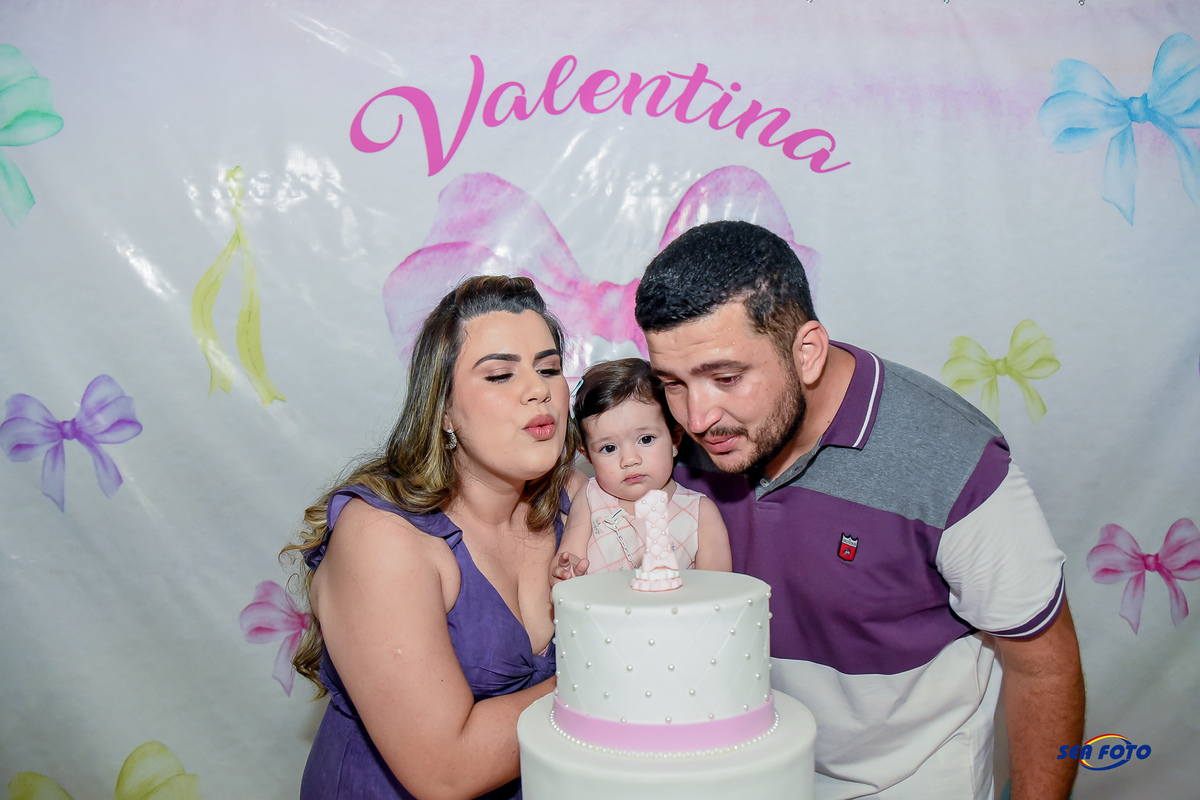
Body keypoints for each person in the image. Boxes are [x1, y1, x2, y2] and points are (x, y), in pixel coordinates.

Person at [633, 221, 1084, 800]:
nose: (697, 417)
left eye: (726, 378)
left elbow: (1044, 666)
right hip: (741, 776)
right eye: (672, 383)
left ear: (807, 353)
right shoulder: (664, 443)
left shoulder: (950, 461)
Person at [283, 275, 585, 800]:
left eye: (549, 368)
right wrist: (615, 673)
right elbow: (447, 772)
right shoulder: (381, 537)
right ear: (443, 410)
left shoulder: (579, 504)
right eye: (499, 375)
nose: (538, 390)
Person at [550, 358, 731, 583]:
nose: (630, 460)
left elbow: (720, 592)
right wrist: (565, 573)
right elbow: (568, 558)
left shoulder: (700, 513)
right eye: (609, 448)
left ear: (674, 439)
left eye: (646, 439)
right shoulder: (590, 499)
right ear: (587, 455)